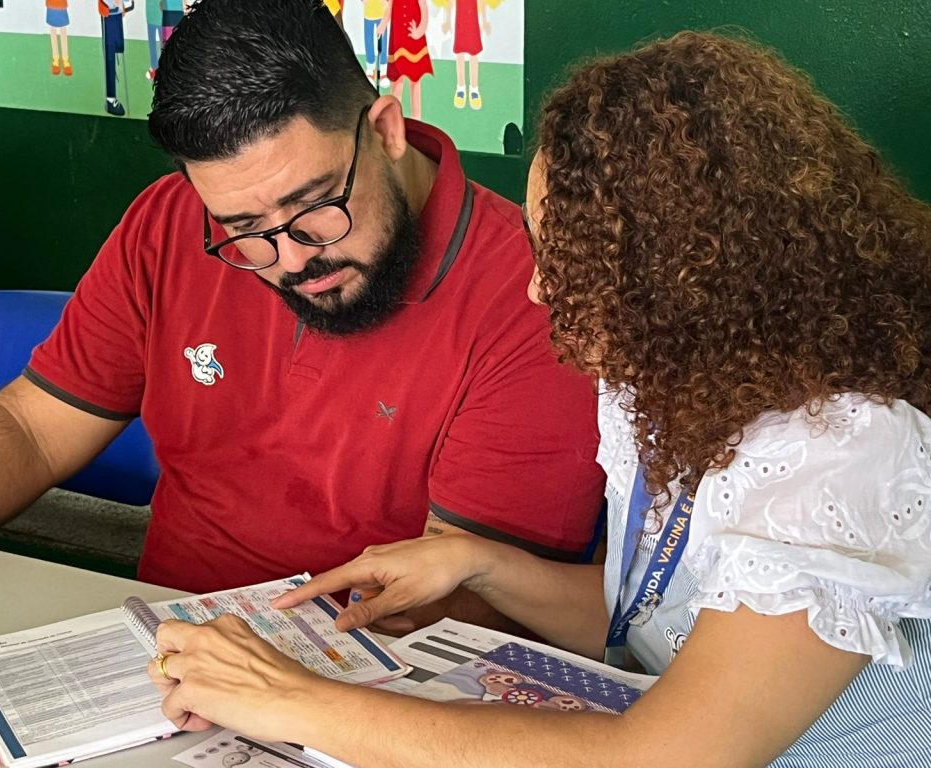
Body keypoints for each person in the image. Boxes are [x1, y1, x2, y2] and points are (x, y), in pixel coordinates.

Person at [145, 31, 931, 767]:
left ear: (696, 277)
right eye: (540, 247)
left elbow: (658, 756)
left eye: (576, 264)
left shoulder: (847, 452)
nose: (539, 289)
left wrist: (292, 700)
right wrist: (484, 565)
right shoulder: (673, 377)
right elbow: (661, 618)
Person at [0, 0, 604, 629]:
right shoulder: (169, 221)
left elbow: (466, 605)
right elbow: (30, 429)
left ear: (386, 130)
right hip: (156, 644)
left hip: (365, 675)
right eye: (242, 228)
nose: (292, 259)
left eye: (315, 206)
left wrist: (255, 682)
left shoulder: (536, 298)